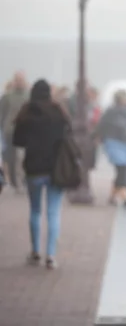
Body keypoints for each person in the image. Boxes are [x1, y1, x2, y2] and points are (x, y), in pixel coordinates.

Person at [12, 79, 70, 270]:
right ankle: (51, 256)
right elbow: (66, 136)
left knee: (35, 210)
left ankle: (35, 251)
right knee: (54, 212)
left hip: (33, 168)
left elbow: (17, 141)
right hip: (55, 170)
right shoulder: (58, 112)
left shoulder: (26, 113)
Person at [94, 90, 126, 207]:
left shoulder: (114, 111)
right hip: (119, 143)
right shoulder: (121, 111)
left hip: (120, 144)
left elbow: (101, 126)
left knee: (121, 170)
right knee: (123, 170)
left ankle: (113, 196)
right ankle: (124, 195)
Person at [0, 71, 29, 194]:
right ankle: (13, 181)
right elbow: (2, 114)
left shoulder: (28, 96)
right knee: (10, 159)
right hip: (10, 131)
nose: (19, 82)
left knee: (22, 157)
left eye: (21, 80)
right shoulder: (7, 97)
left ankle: (22, 181)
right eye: (17, 80)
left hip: (25, 131)